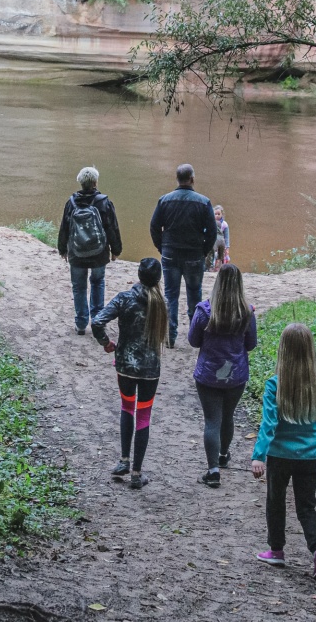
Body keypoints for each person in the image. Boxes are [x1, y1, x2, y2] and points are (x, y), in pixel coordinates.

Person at [252, 322, 316, 579]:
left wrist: (258, 456)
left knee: (275, 501)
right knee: (306, 507)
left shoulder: (274, 384)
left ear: (283, 350)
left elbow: (269, 424)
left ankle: (276, 551)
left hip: (279, 455)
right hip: (309, 456)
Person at [91, 258, 167, 489]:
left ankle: (124, 460)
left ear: (139, 274)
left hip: (125, 366)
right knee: (143, 416)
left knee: (127, 408)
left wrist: (106, 343)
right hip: (150, 369)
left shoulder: (124, 298)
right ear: (159, 278)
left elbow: (97, 321)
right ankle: (136, 473)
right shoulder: (161, 303)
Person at [188, 264, 257, 486]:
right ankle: (223, 455)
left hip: (208, 375)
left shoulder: (204, 311)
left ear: (217, 283)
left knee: (212, 420)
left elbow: (193, 341)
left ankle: (213, 470)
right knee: (228, 416)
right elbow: (251, 344)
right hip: (236, 376)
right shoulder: (247, 312)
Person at [149, 164, 218, 347]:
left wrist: (162, 248)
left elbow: (154, 227)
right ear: (192, 179)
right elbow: (212, 232)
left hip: (170, 254)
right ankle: (195, 336)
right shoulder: (204, 202)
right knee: (194, 294)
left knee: (170, 295)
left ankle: (170, 337)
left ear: (177, 179)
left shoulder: (164, 200)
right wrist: (203, 251)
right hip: (194, 255)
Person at [57, 166, 123, 335]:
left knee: (79, 287)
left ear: (81, 183)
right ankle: (97, 320)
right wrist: (116, 250)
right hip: (99, 253)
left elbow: (64, 227)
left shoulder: (71, 203)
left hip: (76, 252)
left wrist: (62, 249)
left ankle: (80, 324)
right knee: (98, 282)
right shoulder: (104, 202)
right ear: (95, 183)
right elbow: (112, 228)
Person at [209, 205, 231, 272]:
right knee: (211, 255)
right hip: (212, 242)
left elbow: (226, 237)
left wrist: (227, 247)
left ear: (222, 214)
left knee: (221, 256)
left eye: (219, 214)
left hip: (221, 243)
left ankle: (218, 268)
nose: (217, 216)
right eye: (215, 214)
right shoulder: (210, 223)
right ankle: (210, 267)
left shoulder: (224, 224)